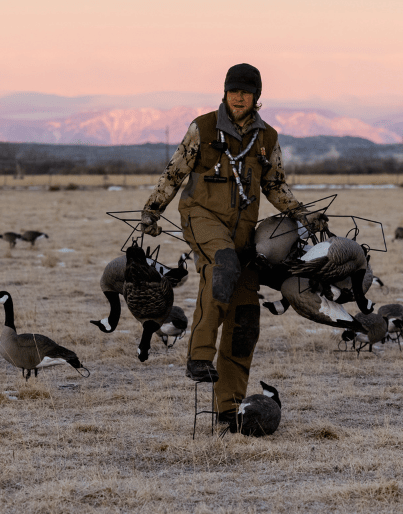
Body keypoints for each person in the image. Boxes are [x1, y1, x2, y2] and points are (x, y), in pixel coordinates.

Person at [139, 64, 325, 427]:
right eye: (232, 90)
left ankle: (230, 409)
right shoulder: (203, 128)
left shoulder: (267, 137)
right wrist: (152, 211)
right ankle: (198, 357)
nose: (239, 96)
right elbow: (175, 171)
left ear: (257, 96)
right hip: (201, 217)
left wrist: (303, 215)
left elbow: (275, 185)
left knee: (245, 319)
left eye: (246, 91)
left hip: (243, 232)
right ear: (224, 93)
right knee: (222, 265)